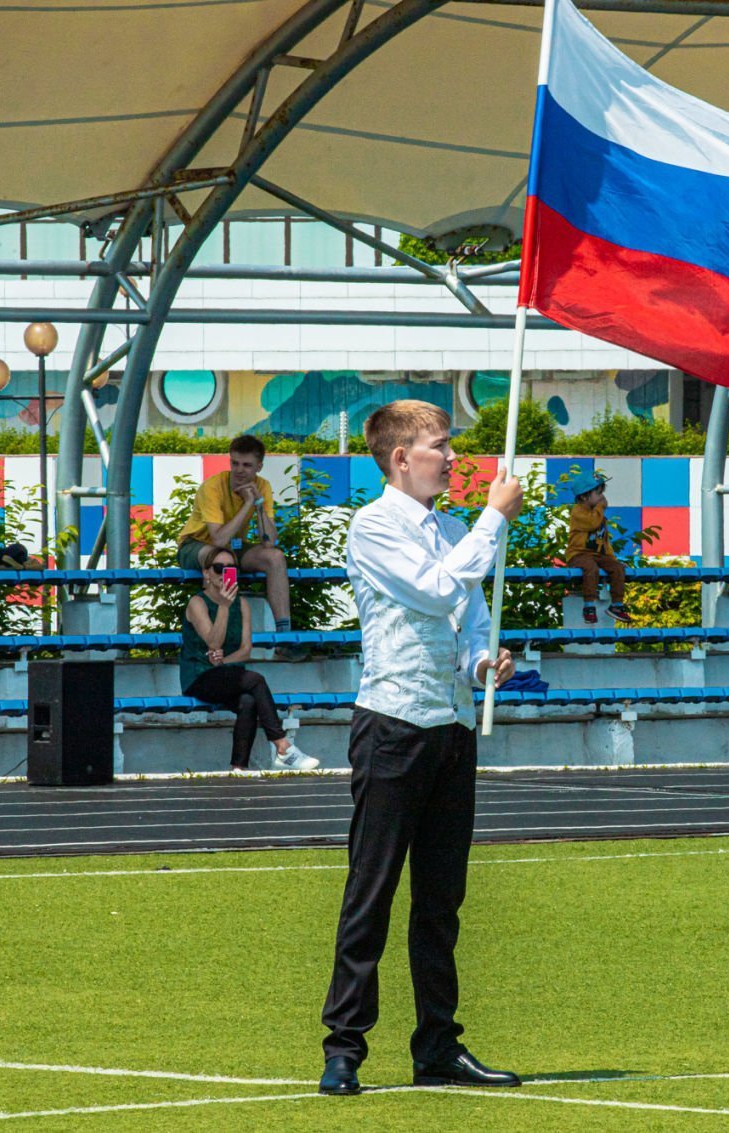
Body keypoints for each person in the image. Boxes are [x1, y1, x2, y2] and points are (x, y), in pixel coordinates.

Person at [318, 399, 523, 1097]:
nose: (453, 457)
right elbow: (437, 591)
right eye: (441, 445)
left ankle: (438, 1045)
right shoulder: (374, 525)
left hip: (451, 727)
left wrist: (482, 663)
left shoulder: (455, 529)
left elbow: (471, 624)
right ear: (401, 457)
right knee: (371, 890)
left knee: (441, 900)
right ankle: (344, 1047)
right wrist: (495, 519)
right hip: (393, 725)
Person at [177, 547, 317, 772]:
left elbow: (245, 651)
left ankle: (238, 768)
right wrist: (223, 606)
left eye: (230, 568)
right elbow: (213, 642)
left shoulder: (241, 604)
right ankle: (282, 746)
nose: (224, 573)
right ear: (206, 573)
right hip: (199, 675)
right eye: (219, 568)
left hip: (229, 674)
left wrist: (223, 661)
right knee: (255, 680)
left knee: (248, 701)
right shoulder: (197, 603)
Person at [175, 435, 293, 633]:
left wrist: (258, 504)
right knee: (222, 559)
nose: (239, 470)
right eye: (235, 463)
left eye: (247, 465)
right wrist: (247, 503)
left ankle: (283, 635)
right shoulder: (212, 487)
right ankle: (225, 633)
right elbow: (219, 539)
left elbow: (269, 542)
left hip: (231, 547)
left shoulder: (263, 486)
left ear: (259, 467)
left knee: (275, 557)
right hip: (194, 545)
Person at [565, 477, 629, 624]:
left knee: (617, 569)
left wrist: (613, 560)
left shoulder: (598, 515)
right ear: (584, 496)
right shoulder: (578, 511)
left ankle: (617, 605)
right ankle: (589, 605)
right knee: (590, 568)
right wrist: (601, 507)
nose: (602, 498)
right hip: (579, 554)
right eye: (598, 493)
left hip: (598, 555)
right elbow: (592, 523)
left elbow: (604, 541)